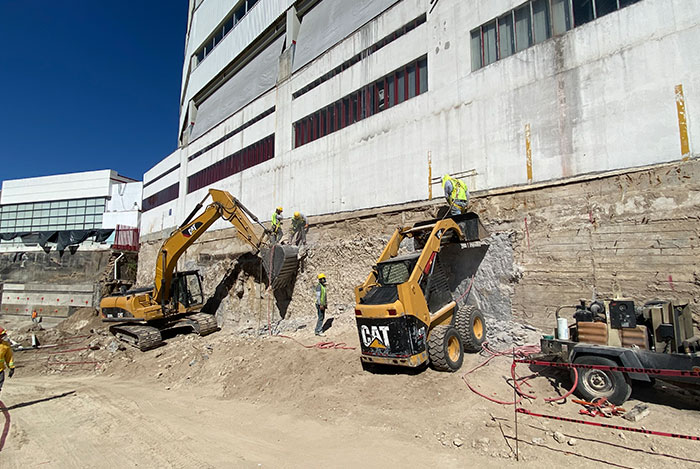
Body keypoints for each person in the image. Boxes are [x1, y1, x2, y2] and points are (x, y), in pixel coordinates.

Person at [0, 327, 15, 394]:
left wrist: (11, 368)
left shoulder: (5, 345)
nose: (3, 336)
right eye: (2, 335)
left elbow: (9, 357)